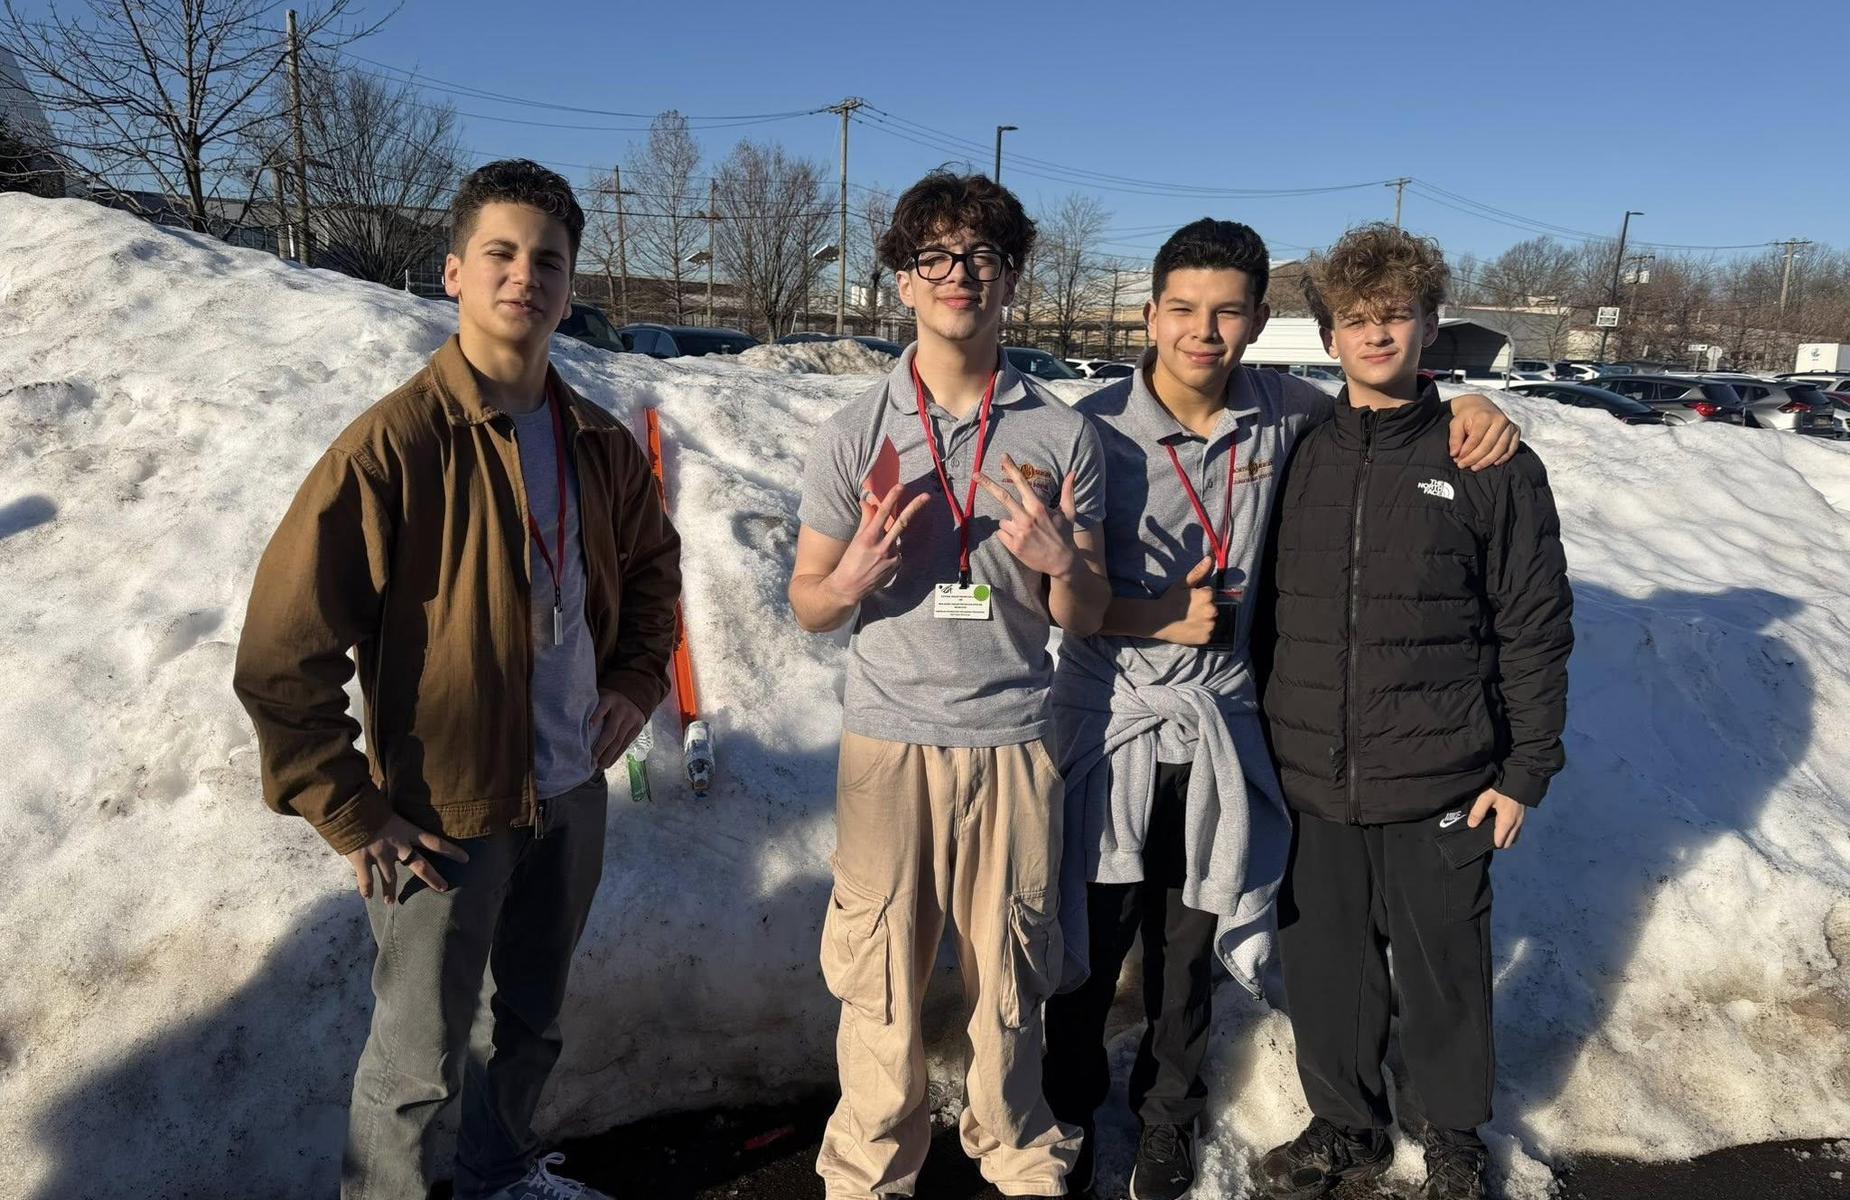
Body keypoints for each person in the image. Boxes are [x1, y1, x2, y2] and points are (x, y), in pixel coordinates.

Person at [1042, 219, 1520, 1199]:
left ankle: (1166, 1117)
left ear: (1260, 323)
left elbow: (1384, 410)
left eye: (1225, 312)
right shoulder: (1082, 428)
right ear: (1149, 315)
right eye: (1182, 309)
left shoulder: (1287, 415)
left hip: (1219, 728)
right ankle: (1067, 1112)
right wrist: (1155, 616)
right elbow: (1047, 592)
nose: (1201, 331)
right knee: (1084, 949)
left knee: (1185, 948)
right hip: (1107, 730)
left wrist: (1467, 404)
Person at [233, 159, 682, 1200]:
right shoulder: (391, 448)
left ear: (571, 288)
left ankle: (498, 1177)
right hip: (442, 813)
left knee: (526, 1024)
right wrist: (353, 813)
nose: (525, 276)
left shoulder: (597, 445)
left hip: (570, 792)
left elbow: (655, 576)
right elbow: (279, 655)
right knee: (413, 1065)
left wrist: (634, 680)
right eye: (502, 253)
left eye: (549, 261)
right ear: (452, 273)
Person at [788, 170, 1112, 1199]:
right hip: (887, 743)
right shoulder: (853, 433)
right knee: (878, 975)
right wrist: (845, 581)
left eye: (980, 256)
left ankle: (1016, 1150)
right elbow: (807, 603)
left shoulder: (1060, 436)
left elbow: (1088, 616)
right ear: (901, 281)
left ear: (1011, 277)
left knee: (1009, 976)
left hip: (1015, 739)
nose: (957, 274)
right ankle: (870, 1168)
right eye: (934, 255)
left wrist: (1064, 560)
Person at [1254, 223, 1573, 1200]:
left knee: (1443, 973)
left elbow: (1532, 623)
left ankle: (1449, 1137)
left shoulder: (1487, 462)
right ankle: (1344, 1126)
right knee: (1327, 971)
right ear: (1327, 333)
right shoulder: (1294, 453)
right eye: (1355, 318)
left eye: (1395, 314)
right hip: (1311, 774)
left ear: (1431, 325)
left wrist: (1524, 772)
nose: (1376, 334)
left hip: (1440, 772)